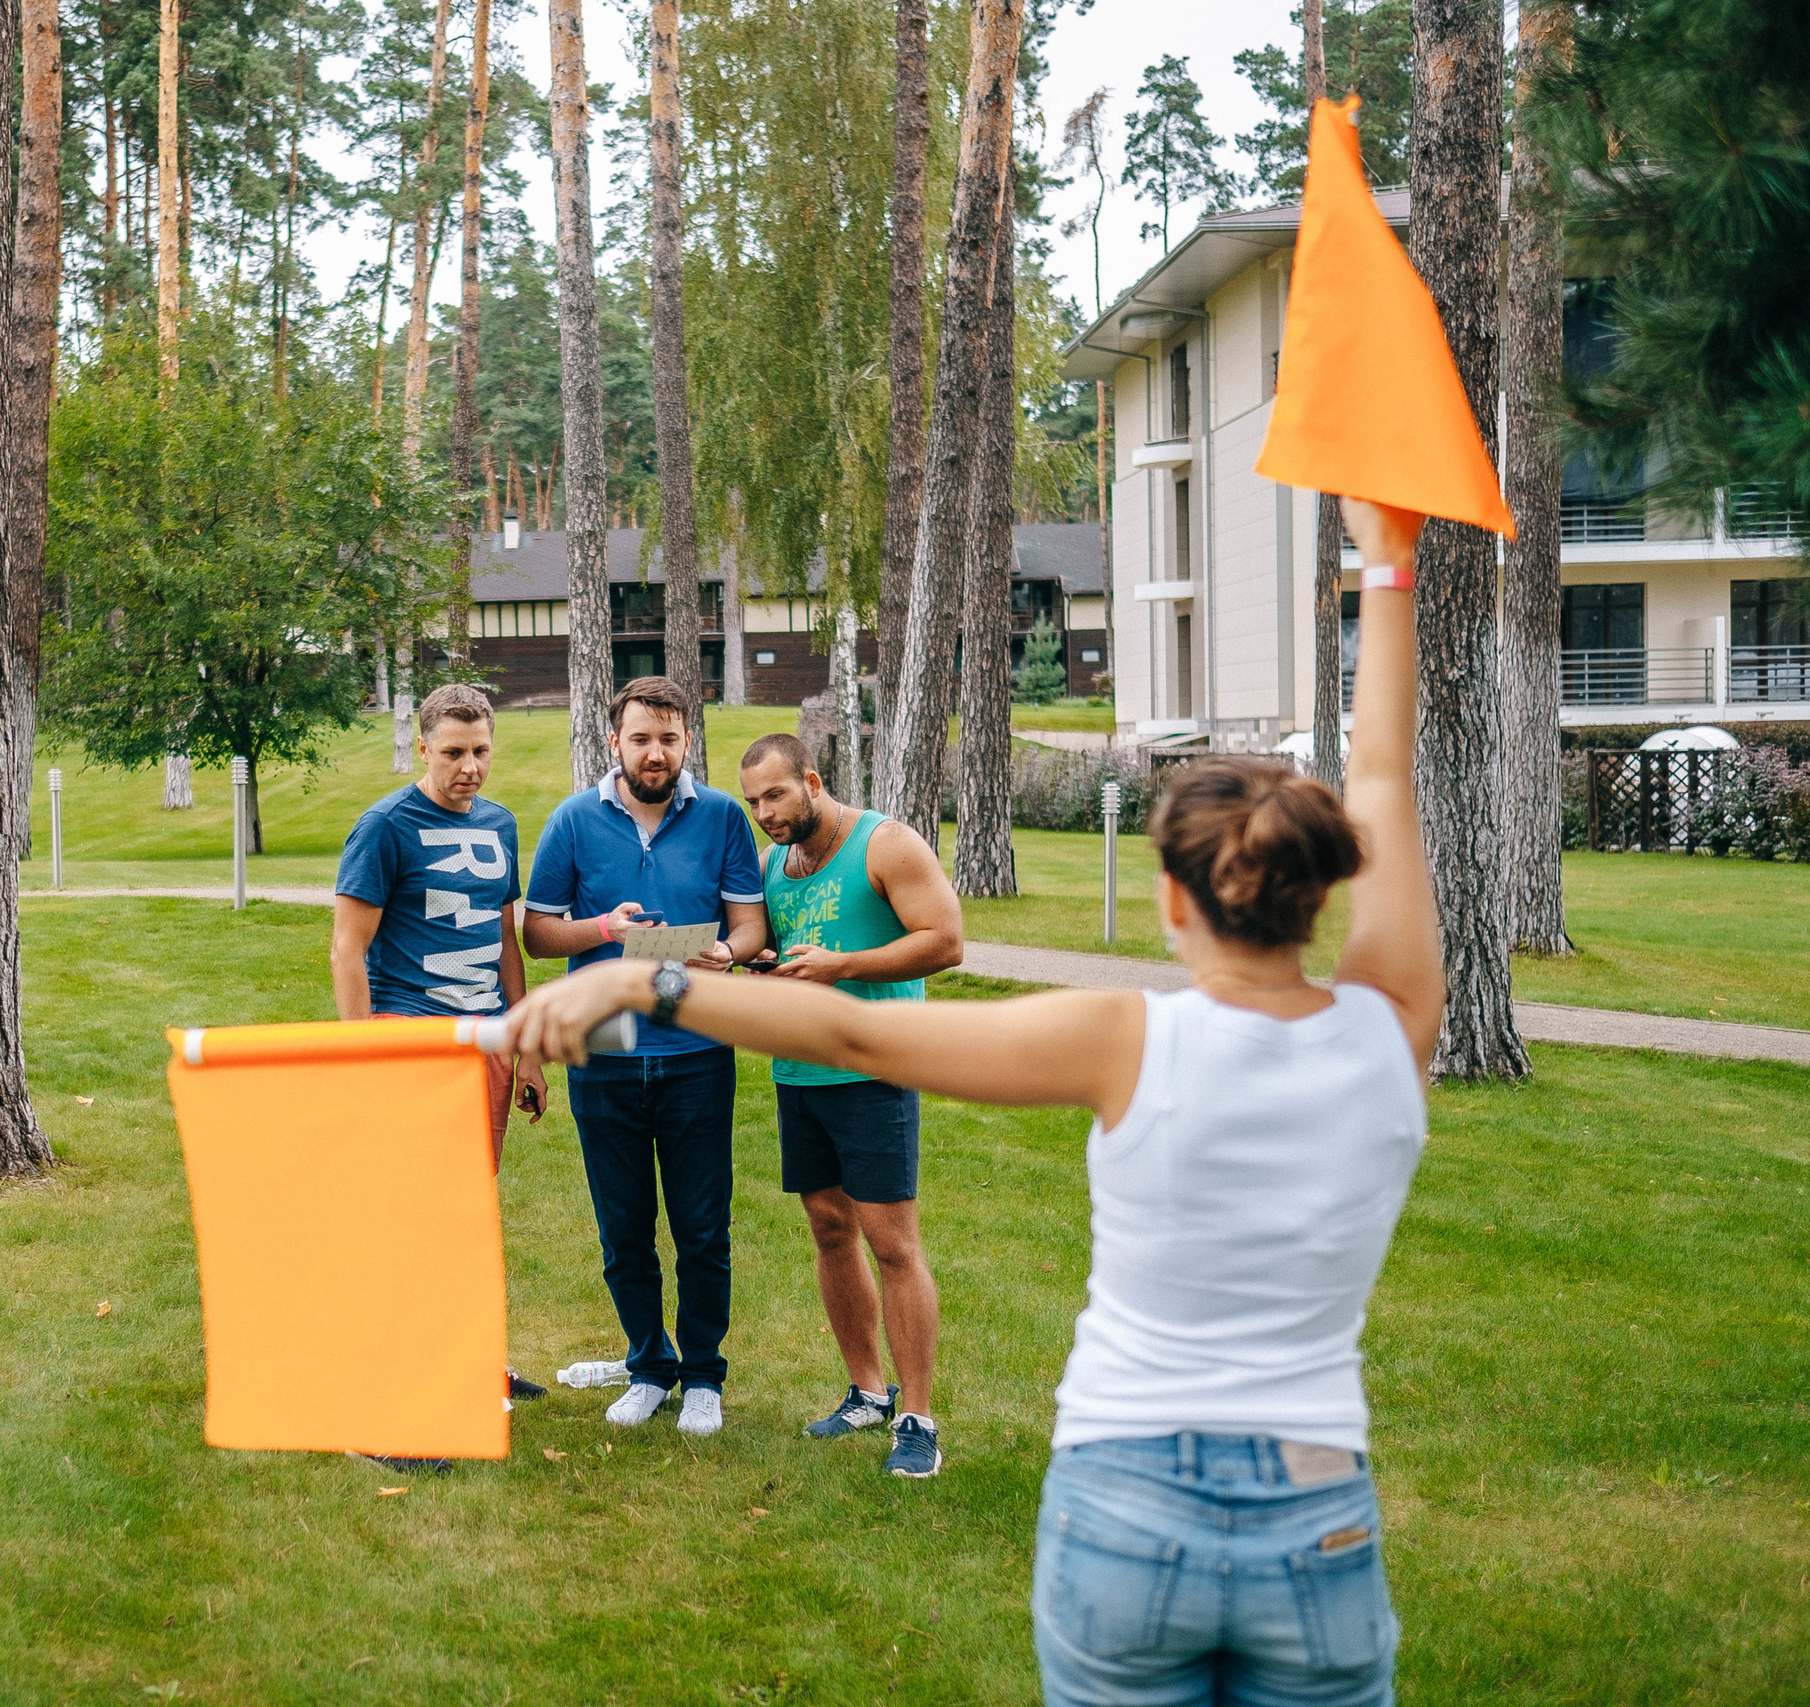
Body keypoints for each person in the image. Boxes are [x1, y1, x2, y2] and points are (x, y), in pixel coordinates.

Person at [505, 498, 1440, 1704]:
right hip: (1316, 1508)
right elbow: (1383, 778)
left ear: (1168, 905)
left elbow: (846, 1028)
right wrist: (1391, 566)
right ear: (1326, 892)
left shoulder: (1123, 1038)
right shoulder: (1388, 1033)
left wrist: (649, 984)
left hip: (1127, 1495)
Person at [523, 676, 768, 1438]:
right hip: (606, 1048)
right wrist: (600, 928)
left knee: (702, 1226)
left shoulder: (724, 816)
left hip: (697, 1042)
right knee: (623, 1227)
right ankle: (648, 1366)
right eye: (640, 738)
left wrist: (725, 951)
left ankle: (702, 1375)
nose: (654, 752)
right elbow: (536, 932)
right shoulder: (573, 819)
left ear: (687, 741)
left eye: (668, 738)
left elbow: (751, 926)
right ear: (614, 742)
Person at [735, 733, 967, 1479]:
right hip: (800, 1075)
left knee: (893, 1243)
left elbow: (946, 939)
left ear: (811, 779)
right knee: (831, 1231)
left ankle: (917, 1418)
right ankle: (867, 1391)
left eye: (775, 795)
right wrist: (738, 962)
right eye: (754, 803)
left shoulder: (885, 843)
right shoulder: (775, 866)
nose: (765, 813)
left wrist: (845, 966)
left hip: (876, 1070)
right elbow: (785, 959)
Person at [331, 683, 551, 1467]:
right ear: (423, 747)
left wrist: (522, 1042)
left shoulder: (499, 824)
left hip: (484, 1041)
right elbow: (347, 950)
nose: (469, 767)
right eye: (453, 752)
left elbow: (502, 941)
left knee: (462, 1212)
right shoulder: (386, 826)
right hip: (407, 1037)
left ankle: (468, 1363)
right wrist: (361, 1056)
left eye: (481, 750)